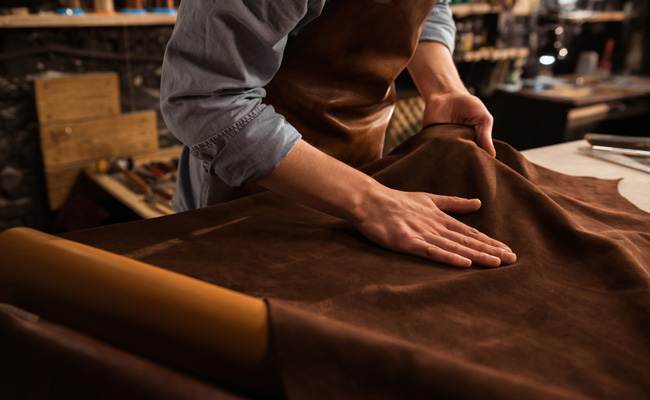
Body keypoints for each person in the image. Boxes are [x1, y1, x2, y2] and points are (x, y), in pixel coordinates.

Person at [160, 0, 517, 269]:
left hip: (366, 177)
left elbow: (431, 8)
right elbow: (205, 101)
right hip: (251, 195)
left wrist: (443, 89)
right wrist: (372, 201)